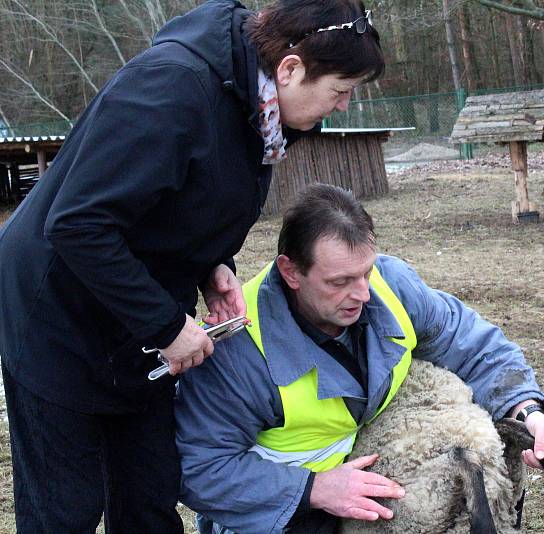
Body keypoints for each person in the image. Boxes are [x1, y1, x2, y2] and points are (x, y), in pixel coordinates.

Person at [0, 1, 383, 531]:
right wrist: (166, 325)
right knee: (66, 509)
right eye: (340, 91)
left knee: (150, 496)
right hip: (57, 316)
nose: (342, 106)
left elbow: (180, 199)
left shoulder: (261, 112)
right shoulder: (168, 92)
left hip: (139, 319)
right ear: (291, 69)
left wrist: (211, 266)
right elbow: (77, 224)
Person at [175, 184, 544, 534]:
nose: (363, 294)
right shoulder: (240, 349)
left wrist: (527, 411)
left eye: (365, 272)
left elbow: (473, 345)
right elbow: (200, 466)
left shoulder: (389, 286)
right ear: (291, 272)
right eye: (340, 282)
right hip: (277, 512)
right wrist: (313, 490)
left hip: (365, 480)